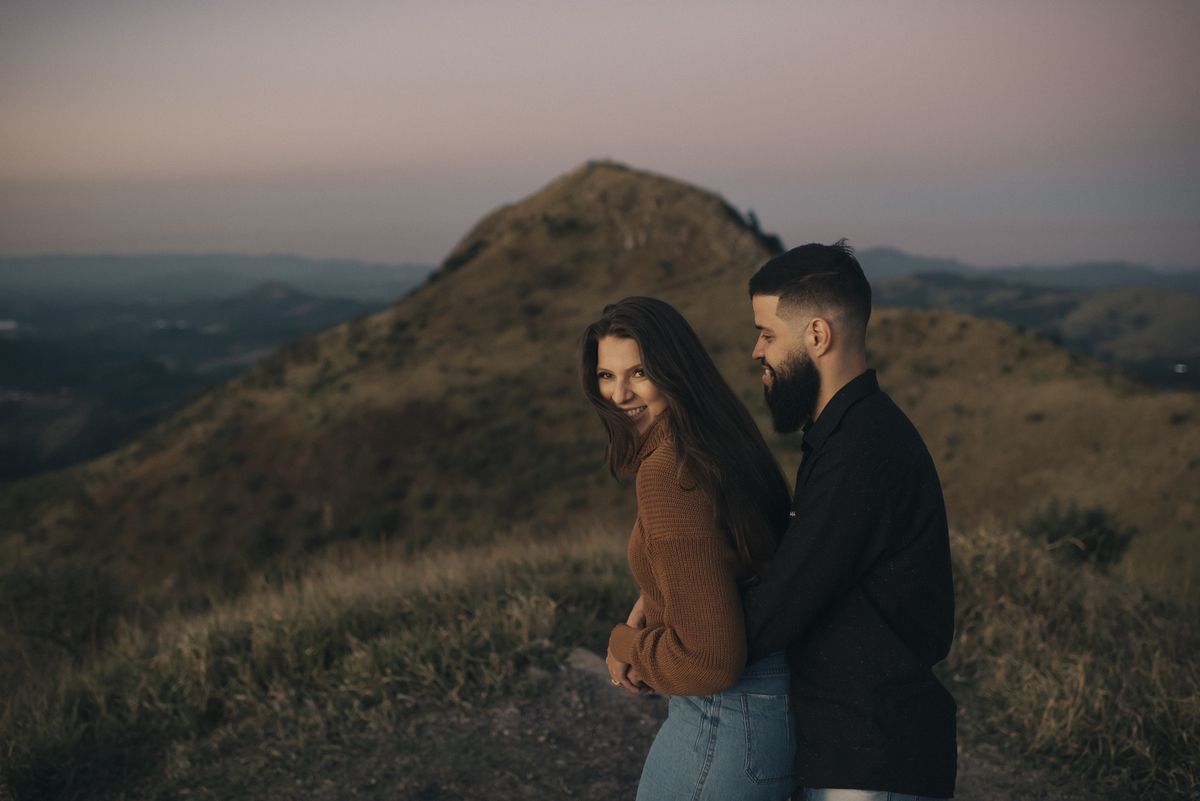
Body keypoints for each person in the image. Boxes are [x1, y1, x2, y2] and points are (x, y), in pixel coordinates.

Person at [743, 240, 958, 800]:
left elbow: (774, 612)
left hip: (871, 759)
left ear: (817, 336)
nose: (756, 351)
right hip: (853, 752)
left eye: (767, 334)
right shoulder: (846, 436)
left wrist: (657, 646)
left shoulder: (861, 450)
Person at [580, 296, 796, 801]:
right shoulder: (723, 440)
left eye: (639, 373)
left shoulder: (667, 472)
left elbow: (710, 662)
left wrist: (624, 645)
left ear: (674, 371)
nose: (619, 394)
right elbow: (728, 558)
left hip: (724, 722)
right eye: (607, 376)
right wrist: (653, 597)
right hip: (770, 716)